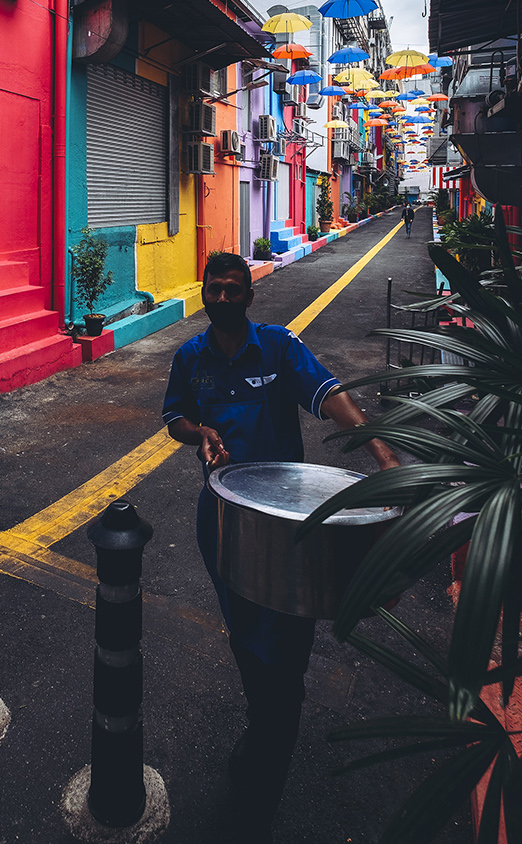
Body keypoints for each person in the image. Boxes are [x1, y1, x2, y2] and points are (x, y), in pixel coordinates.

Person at [161, 252, 400, 837]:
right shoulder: (190, 357)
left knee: (288, 641)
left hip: (288, 524)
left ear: (249, 295)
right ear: (203, 294)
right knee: (246, 632)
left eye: (233, 289)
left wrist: (384, 455)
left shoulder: (277, 347)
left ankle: (268, 762)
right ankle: (264, 718)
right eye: (213, 289)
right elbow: (175, 418)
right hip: (223, 518)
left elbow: (332, 396)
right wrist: (200, 431)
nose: (222, 298)